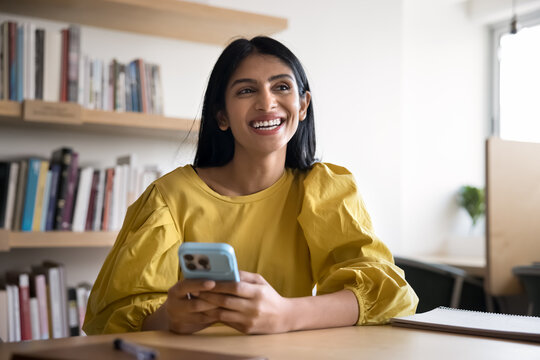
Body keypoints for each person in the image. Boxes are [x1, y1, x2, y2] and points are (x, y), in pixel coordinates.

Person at [82, 36, 418, 335]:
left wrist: (286, 314)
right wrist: (170, 318)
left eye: (281, 87)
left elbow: (389, 297)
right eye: (246, 90)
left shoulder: (324, 188)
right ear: (221, 117)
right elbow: (111, 318)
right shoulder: (168, 198)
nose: (266, 102)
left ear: (303, 106)